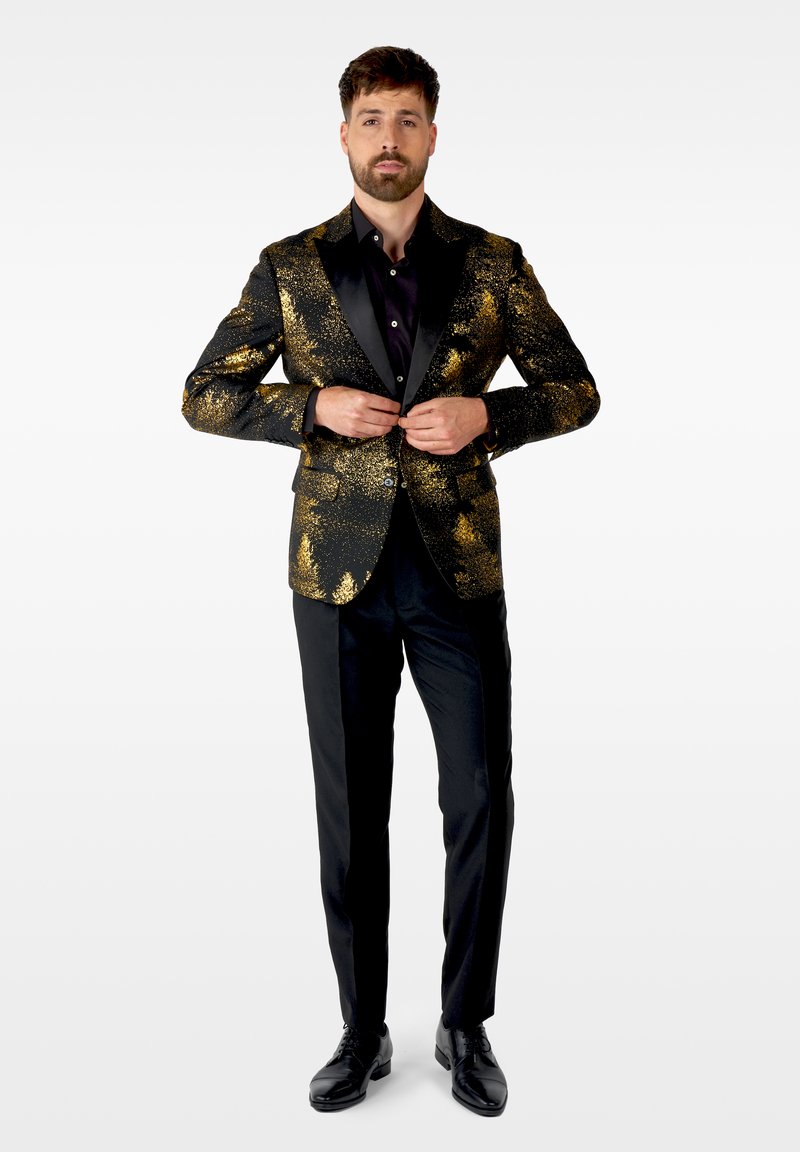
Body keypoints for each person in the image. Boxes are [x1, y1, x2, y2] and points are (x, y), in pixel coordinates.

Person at [182, 45, 599, 1117]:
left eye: (407, 119)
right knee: (350, 806)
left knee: (480, 796)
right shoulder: (291, 265)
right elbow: (204, 392)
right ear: (343, 135)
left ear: (432, 135)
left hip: (458, 570)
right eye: (370, 119)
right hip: (335, 576)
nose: (388, 139)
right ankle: (361, 1027)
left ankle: (464, 1024)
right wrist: (305, 409)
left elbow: (573, 388)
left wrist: (487, 415)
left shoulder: (493, 261)